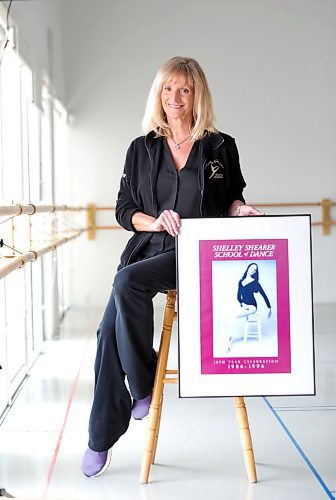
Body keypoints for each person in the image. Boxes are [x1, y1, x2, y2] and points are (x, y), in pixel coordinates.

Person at [81, 56, 263, 478]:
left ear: (197, 94)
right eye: (168, 89)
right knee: (107, 332)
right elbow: (125, 210)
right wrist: (155, 219)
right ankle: (100, 435)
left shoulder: (220, 145)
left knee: (125, 282)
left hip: (198, 251)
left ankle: (141, 386)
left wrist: (240, 209)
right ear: (158, 94)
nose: (175, 98)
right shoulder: (140, 148)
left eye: (184, 89)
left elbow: (231, 196)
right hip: (148, 250)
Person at [225, 262, 271, 353]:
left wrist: (269, 308)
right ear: (248, 268)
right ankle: (229, 338)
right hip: (244, 306)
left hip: (252, 307)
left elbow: (264, 295)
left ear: (255, 272)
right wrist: (243, 304)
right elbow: (239, 297)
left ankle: (229, 340)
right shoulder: (241, 282)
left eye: (255, 270)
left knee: (233, 316)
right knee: (231, 314)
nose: (252, 270)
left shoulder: (255, 283)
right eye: (251, 268)